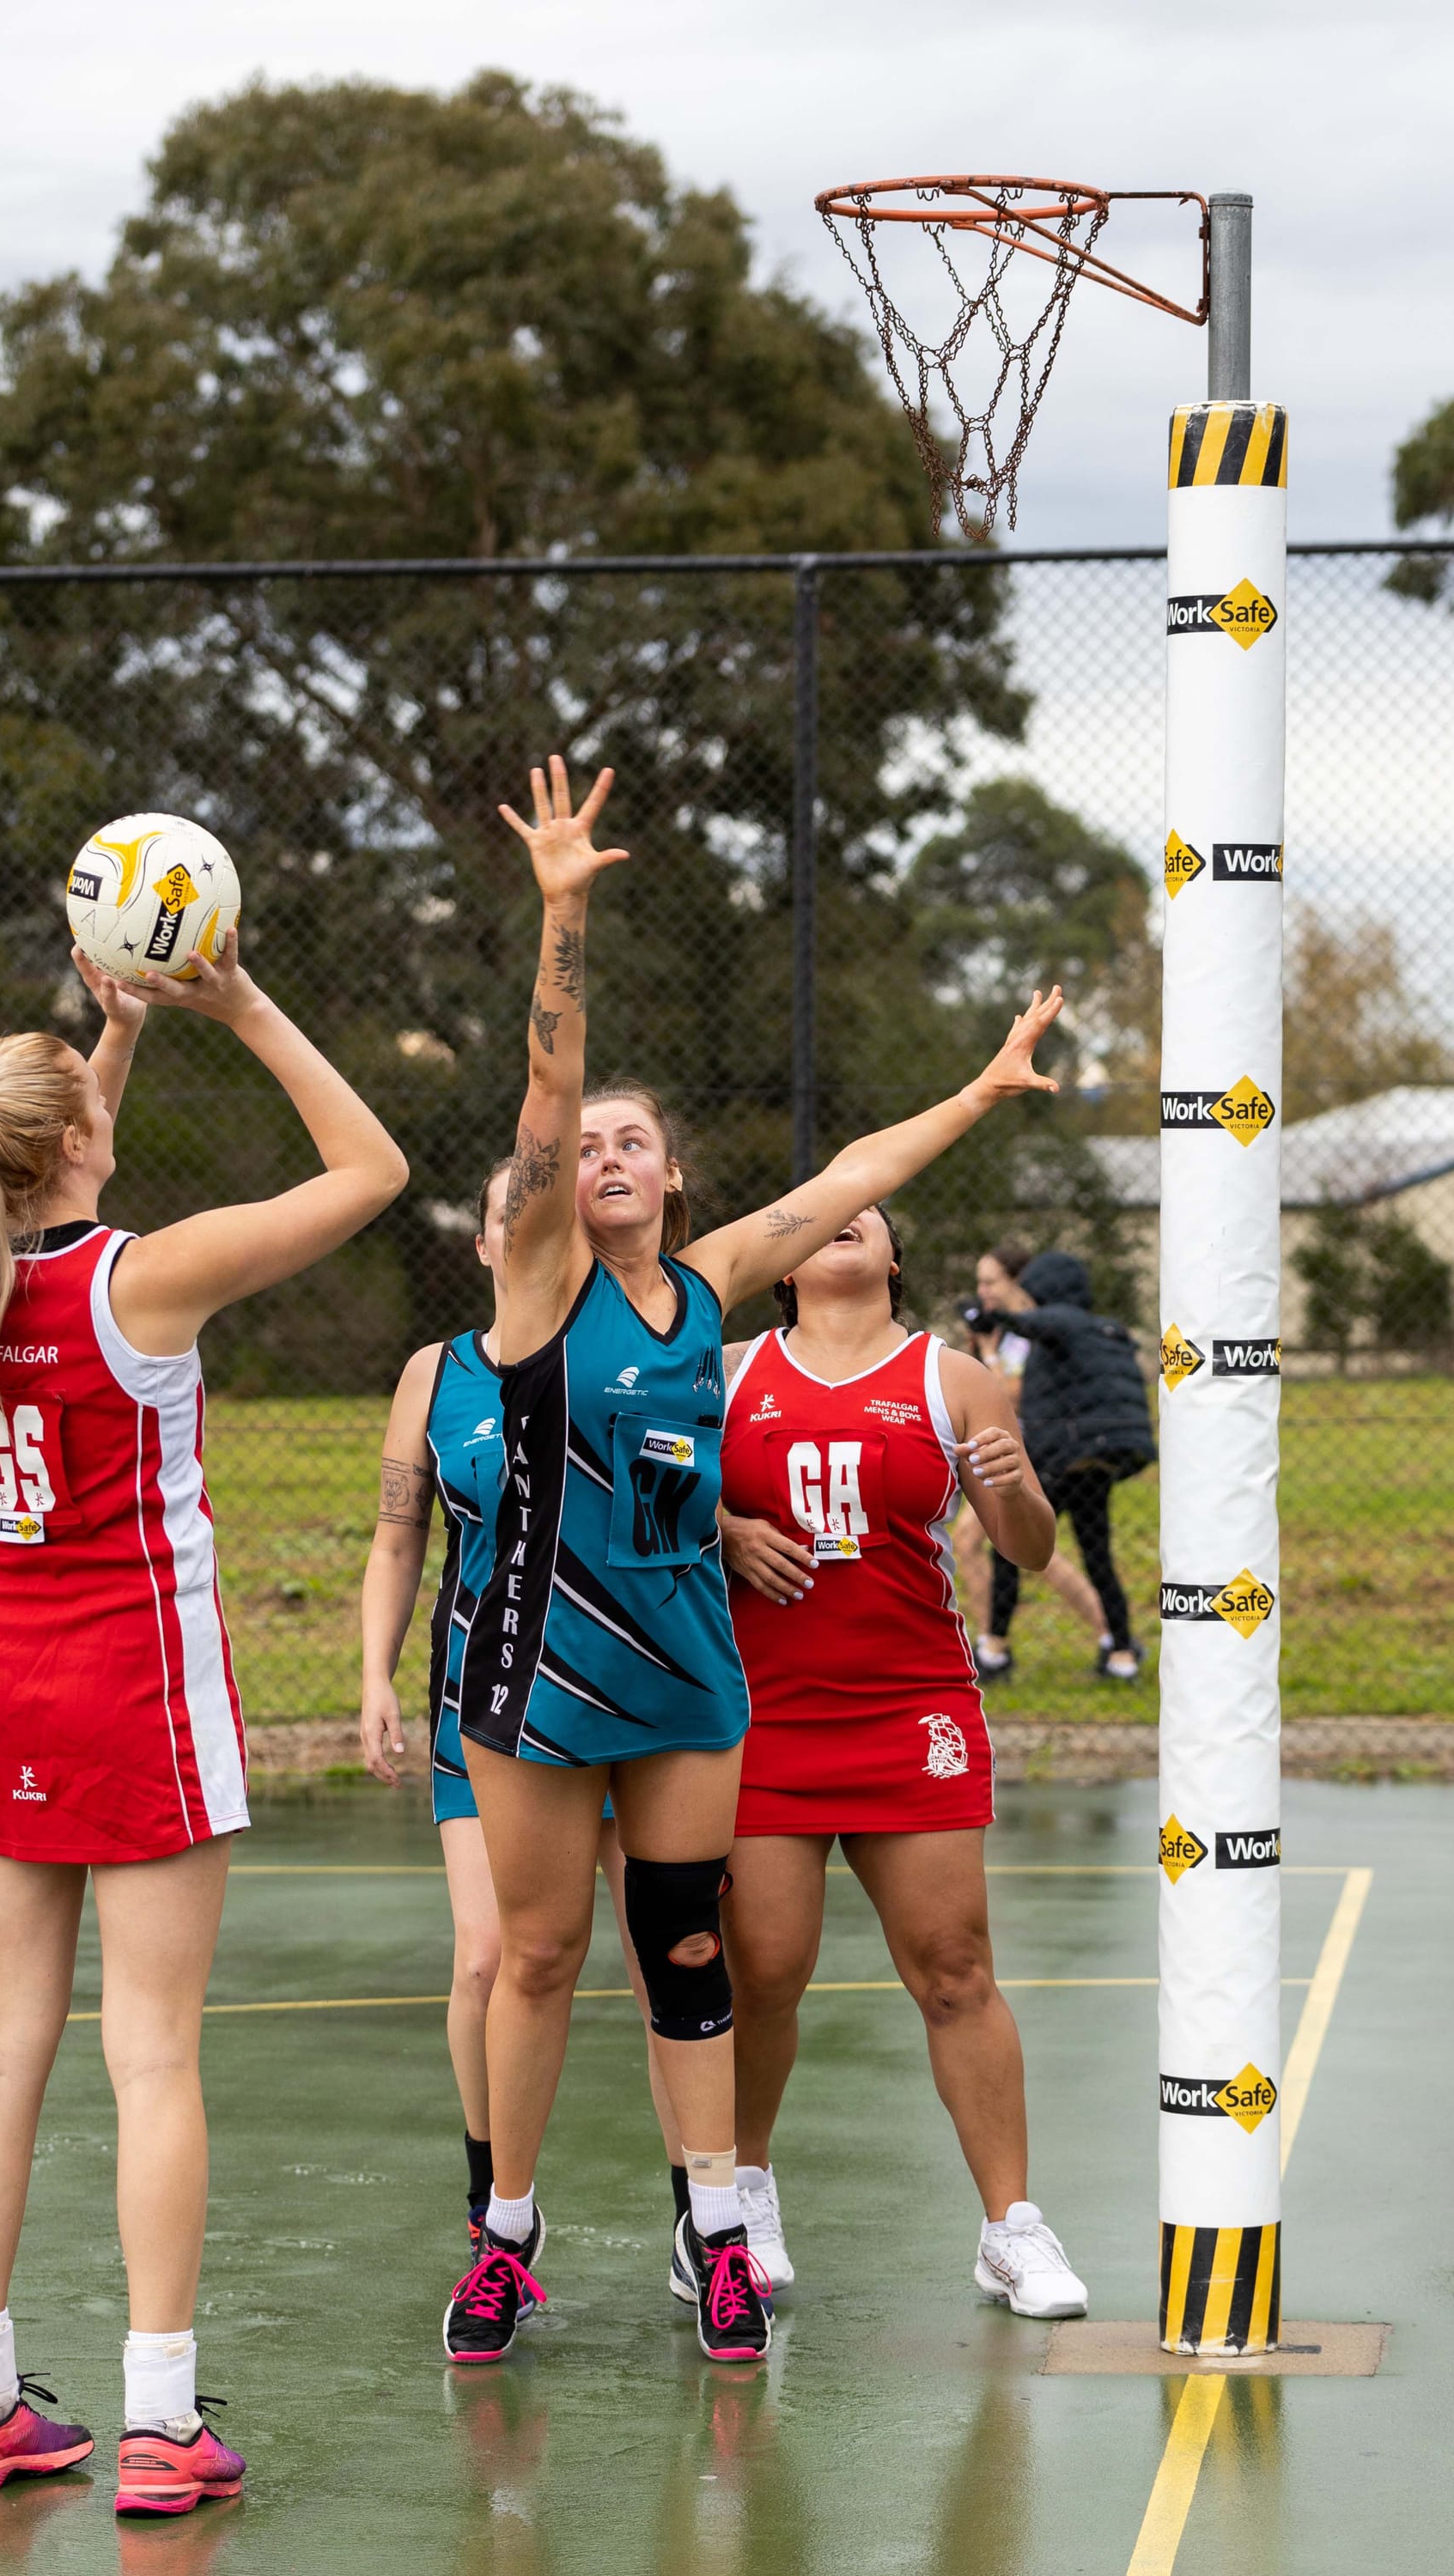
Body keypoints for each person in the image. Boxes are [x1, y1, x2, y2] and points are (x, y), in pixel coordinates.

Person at [441, 752, 1063, 2369]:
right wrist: (562, 918)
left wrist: (981, 1095)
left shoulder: (708, 1291)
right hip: (540, 1660)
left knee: (691, 1949)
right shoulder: (533, 1283)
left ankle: (720, 2230)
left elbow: (857, 1177)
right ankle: (504, 2237)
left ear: (678, 1179)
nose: (611, 1156)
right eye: (594, 1145)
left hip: (689, 1671)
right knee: (537, 1952)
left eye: (638, 1142)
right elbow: (541, 1093)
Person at [0, 933, 406, 2513]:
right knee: (153, 2059)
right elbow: (375, 1167)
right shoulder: (147, 1278)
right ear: (77, 1147)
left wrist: (107, 1038)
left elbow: (54, 1179)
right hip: (134, 1694)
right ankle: (163, 2424)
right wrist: (240, 998)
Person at [715, 1208, 1091, 2319]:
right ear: (780, 1265)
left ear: (894, 1257)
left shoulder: (958, 1380)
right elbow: (660, 1503)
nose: (842, 1229)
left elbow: (1028, 1548)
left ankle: (1010, 2228)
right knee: (766, 1970)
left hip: (909, 1710)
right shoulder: (727, 1371)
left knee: (955, 1966)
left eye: (865, 1219)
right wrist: (729, 1529)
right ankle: (744, 2196)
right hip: (764, 1715)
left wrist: (1017, 1486)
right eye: (819, 1219)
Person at [358, 1155, 685, 2254]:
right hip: (489, 1703)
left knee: (664, 1954)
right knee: (489, 1958)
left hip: (625, 1697)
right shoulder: (435, 1373)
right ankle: (497, 2202)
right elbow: (401, 1533)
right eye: (516, 1210)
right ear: (490, 1242)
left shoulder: (618, 1361)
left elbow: (675, 1492)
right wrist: (374, 1676)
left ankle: (704, 2214)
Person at [970, 1251, 1156, 1683]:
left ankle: (995, 1651)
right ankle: (1122, 1655)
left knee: (1009, 1543)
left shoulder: (1060, 1324)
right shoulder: (1102, 1330)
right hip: (1101, 1457)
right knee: (1097, 1556)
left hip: (1067, 1456)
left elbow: (1030, 1325)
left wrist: (984, 1316)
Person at [952, 1242, 1110, 1679]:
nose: (982, 1291)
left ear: (1017, 1283)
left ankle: (995, 1647)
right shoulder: (1004, 1331)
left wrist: (985, 1354)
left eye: (991, 1282)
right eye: (979, 1282)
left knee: (1034, 1552)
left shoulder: (1031, 1331)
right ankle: (993, 1644)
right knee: (1015, 1550)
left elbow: (1011, 1393)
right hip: (994, 1449)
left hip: (1032, 1450)